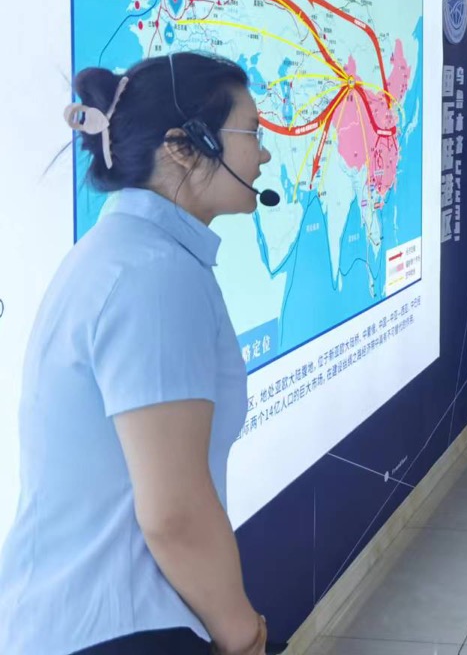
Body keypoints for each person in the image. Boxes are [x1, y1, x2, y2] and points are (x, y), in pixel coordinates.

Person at [0, 53, 270, 655]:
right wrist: (241, 632)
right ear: (184, 147)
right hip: (117, 627)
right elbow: (174, 512)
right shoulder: (153, 275)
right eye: (252, 132)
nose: (265, 154)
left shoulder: (128, 254)